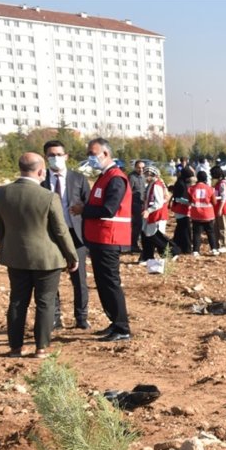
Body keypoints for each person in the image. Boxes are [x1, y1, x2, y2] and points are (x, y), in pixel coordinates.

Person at [0, 153, 79, 357]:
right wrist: (71, 256)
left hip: (16, 257)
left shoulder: (1, 193)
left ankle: (15, 348)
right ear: (41, 171)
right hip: (47, 259)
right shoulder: (48, 196)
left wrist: (6, 247)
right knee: (45, 302)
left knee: (17, 301)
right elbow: (60, 230)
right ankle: (41, 348)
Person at [73, 137, 134, 342]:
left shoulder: (116, 178)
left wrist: (83, 210)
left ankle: (122, 327)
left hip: (110, 238)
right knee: (102, 282)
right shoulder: (104, 177)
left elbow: (109, 208)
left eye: (93, 153)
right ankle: (114, 322)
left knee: (110, 283)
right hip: (99, 238)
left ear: (106, 154)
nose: (90, 158)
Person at [42, 139, 91, 330]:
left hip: (75, 235)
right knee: (51, 278)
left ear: (66, 156)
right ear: (46, 158)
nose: (55, 158)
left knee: (79, 279)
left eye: (59, 154)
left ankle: (81, 317)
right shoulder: (41, 179)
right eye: (51, 155)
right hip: (49, 236)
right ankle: (55, 318)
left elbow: (89, 206)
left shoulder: (78, 179)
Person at [139, 165, 179, 263]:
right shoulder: (151, 184)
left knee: (156, 237)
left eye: (147, 174)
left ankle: (172, 252)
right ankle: (147, 257)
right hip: (151, 215)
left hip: (156, 215)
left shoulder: (156, 185)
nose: (145, 177)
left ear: (152, 175)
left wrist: (148, 210)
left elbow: (159, 202)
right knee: (147, 235)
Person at [189, 170, 218, 256]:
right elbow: (214, 202)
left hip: (196, 214)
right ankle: (214, 249)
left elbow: (190, 200)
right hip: (208, 214)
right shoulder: (210, 189)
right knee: (211, 232)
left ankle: (195, 250)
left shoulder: (191, 188)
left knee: (196, 233)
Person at [169, 168, 194, 255]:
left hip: (182, 208)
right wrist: (189, 203)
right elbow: (178, 198)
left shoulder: (182, 183)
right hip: (181, 209)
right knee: (185, 229)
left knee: (180, 229)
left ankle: (175, 245)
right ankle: (186, 248)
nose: (190, 179)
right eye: (189, 177)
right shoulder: (180, 184)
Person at [210, 165, 226, 253]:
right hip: (217, 207)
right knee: (216, 227)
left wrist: (220, 209)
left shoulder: (223, 184)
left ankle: (224, 245)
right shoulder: (218, 183)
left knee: (222, 227)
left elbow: (224, 197)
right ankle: (218, 245)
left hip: (223, 208)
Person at [128, 159, 147, 255]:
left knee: (140, 226)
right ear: (135, 167)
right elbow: (128, 192)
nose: (141, 170)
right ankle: (133, 245)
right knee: (137, 225)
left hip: (142, 203)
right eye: (139, 168)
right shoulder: (132, 177)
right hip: (134, 204)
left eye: (143, 168)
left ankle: (135, 243)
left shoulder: (143, 177)